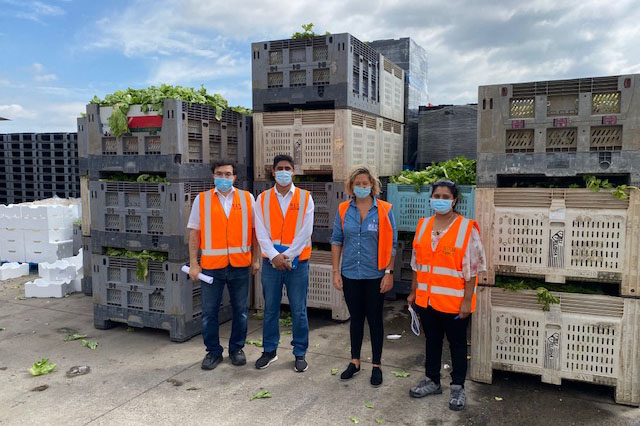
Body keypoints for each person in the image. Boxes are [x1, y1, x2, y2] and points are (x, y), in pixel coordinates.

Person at [407, 180, 486, 411]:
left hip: (454, 302)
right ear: (430, 198)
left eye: (445, 196)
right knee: (432, 341)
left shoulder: (466, 228)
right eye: (436, 195)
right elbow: (416, 264)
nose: (439, 200)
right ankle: (432, 381)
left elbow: (473, 269)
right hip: (427, 300)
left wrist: (466, 301)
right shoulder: (423, 226)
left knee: (458, 345)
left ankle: (458, 387)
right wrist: (413, 292)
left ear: (454, 200)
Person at [187, 160, 260, 371]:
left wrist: (256, 259)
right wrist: (194, 263)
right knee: (209, 312)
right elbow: (194, 233)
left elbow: (256, 232)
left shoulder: (247, 199)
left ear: (234, 177)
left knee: (241, 311)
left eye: (228, 174)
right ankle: (213, 352)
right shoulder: (202, 200)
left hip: (239, 265)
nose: (224, 178)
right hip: (211, 267)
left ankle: (236, 349)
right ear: (213, 176)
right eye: (219, 174)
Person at [330, 166, 397, 387]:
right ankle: (355, 361)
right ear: (351, 186)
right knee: (356, 319)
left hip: (375, 274)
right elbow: (337, 240)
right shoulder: (343, 209)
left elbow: (392, 245)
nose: (361, 187)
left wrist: (388, 273)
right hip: (350, 273)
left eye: (365, 184)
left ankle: (376, 365)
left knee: (375, 320)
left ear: (372, 186)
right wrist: (336, 272)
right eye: (357, 183)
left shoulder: (385, 210)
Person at [254, 154, 314, 373]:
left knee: (298, 310)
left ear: (293, 171)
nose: (283, 171)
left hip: (297, 263)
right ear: (273, 171)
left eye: (287, 168)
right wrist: (274, 256)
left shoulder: (306, 198)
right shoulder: (262, 199)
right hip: (272, 263)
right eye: (280, 168)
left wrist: (287, 256)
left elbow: (306, 231)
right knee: (270, 309)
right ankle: (269, 351)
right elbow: (260, 232)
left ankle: (300, 353)